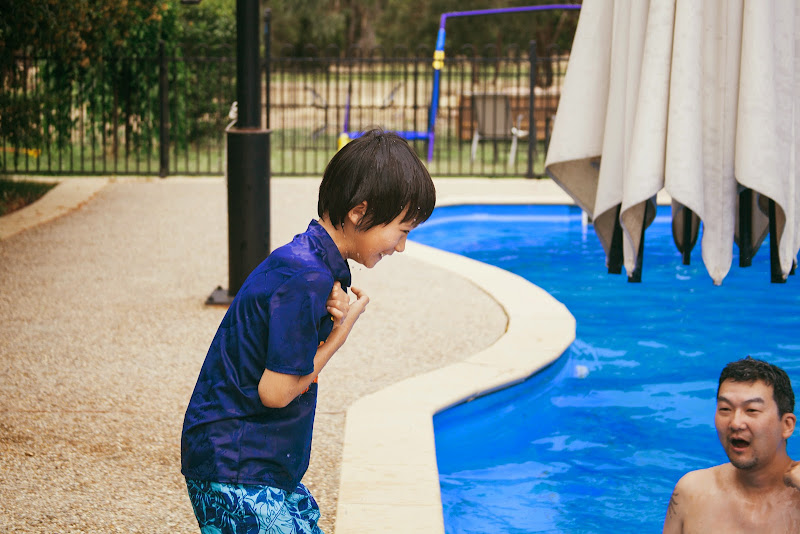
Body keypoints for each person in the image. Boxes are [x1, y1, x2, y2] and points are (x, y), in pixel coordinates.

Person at [180, 129, 436, 533]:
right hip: (235, 465)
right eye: (401, 231)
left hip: (250, 460)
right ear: (359, 213)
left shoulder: (313, 263)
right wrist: (338, 336)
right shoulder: (307, 276)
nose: (401, 246)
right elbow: (276, 391)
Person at [663, 356, 800, 533]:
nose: (735, 423)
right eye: (725, 409)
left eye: (751, 410)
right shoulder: (691, 492)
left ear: (787, 425)